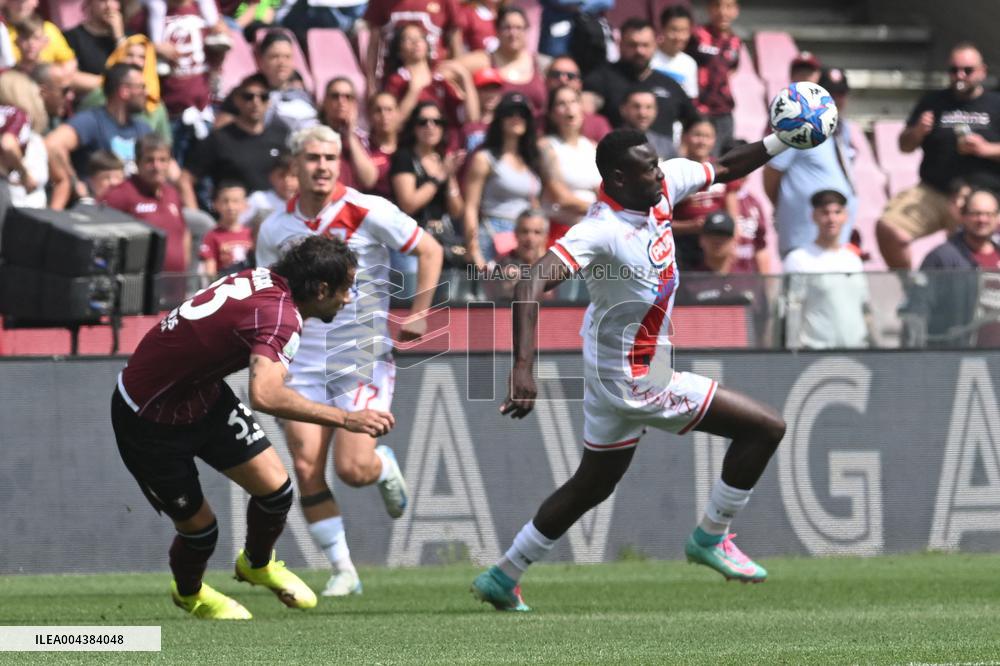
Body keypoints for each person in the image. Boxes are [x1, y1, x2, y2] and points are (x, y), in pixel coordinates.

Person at [471, 127, 795, 612]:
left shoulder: (661, 187)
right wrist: (522, 368)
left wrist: (783, 139)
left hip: (613, 365)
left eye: (658, 163)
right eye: (648, 168)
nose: (660, 172)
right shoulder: (600, 229)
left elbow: (727, 167)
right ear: (620, 178)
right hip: (637, 376)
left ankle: (505, 574)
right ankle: (711, 536)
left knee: (593, 483)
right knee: (766, 429)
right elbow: (531, 282)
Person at [112, 233, 395, 619]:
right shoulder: (282, 317)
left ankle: (257, 564)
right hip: (148, 418)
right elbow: (265, 395)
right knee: (201, 532)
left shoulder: (262, 276)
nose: (348, 299)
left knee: (276, 491)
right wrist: (347, 418)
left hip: (202, 396)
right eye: (345, 289)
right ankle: (189, 594)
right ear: (321, 288)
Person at [255, 125, 443, 598]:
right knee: (304, 466)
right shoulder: (276, 228)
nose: (322, 166)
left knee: (352, 470)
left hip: (360, 354)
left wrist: (419, 312)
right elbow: (267, 292)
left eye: (330, 157)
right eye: (313, 157)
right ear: (294, 166)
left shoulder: (367, 209)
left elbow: (429, 248)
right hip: (301, 360)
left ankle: (380, 467)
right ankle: (344, 569)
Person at [877, 42, 1000, 269]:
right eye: (954, 70)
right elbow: (904, 146)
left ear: (982, 71)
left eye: (967, 70)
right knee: (889, 230)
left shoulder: (996, 103)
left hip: (984, 197)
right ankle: (914, 289)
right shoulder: (933, 102)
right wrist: (917, 131)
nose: (960, 76)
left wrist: (987, 149)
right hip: (935, 190)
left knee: (969, 258)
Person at [763, 66, 856, 258]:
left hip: (835, 234)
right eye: (831, 94)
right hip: (803, 233)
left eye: (842, 94)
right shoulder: (800, 126)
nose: (837, 100)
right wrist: (785, 205)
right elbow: (772, 172)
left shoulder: (842, 129)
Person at [45, 63, 152, 210]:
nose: (147, 93)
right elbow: (52, 145)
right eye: (142, 87)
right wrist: (74, 183)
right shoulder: (91, 121)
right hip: (99, 210)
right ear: (124, 91)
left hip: (137, 208)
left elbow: (171, 170)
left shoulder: (143, 128)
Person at [390, 101, 465, 295]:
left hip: (443, 241)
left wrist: (449, 177)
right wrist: (439, 177)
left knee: (447, 305)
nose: (430, 126)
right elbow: (409, 203)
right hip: (412, 240)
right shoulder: (404, 157)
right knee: (411, 300)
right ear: (414, 127)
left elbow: (457, 210)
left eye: (436, 121)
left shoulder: (442, 160)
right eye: (423, 122)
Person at [910, 189, 1000, 347]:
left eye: (989, 214)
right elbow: (918, 308)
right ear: (963, 216)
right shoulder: (941, 258)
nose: (982, 219)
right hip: (957, 355)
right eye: (976, 213)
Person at [783, 189, 872, 350]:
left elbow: (864, 308)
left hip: (857, 350)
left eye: (837, 212)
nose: (831, 219)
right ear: (814, 216)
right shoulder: (799, 259)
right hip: (815, 353)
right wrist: (792, 352)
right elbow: (792, 311)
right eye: (825, 213)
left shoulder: (853, 260)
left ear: (846, 216)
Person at [184, 73, 290, 207]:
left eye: (263, 97)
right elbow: (186, 179)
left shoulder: (280, 135)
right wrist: (195, 217)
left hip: (274, 217)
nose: (255, 102)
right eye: (248, 97)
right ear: (237, 100)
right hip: (234, 220)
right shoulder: (219, 139)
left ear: (269, 102)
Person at [464, 92, 542, 266]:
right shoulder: (484, 158)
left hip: (526, 238)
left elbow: (535, 204)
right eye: (509, 113)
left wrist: (540, 244)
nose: (516, 118)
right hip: (494, 235)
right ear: (499, 119)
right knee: (491, 293)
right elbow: (470, 206)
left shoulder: (531, 161)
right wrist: (473, 249)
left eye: (522, 114)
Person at [584, 18, 697, 135]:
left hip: (662, 152)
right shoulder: (601, 78)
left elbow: (695, 123)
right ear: (620, 44)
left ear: (655, 46)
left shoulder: (669, 85)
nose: (639, 51)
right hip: (617, 151)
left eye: (645, 45)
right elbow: (585, 117)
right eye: (632, 45)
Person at [102, 134, 189, 275]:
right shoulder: (121, 194)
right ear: (137, 162)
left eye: (163, 160)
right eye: (150, 160)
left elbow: (184, 233)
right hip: (137, 288)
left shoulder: (172, 193)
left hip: (175, 285)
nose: (157, 166)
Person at [672, 118, 740, 270]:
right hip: (681, 247)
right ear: (684, 137)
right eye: (697, 135)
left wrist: (733, 244)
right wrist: (689, 226)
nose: (701, 141)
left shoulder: (723, 170)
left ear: (714, 140)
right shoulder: (674, 172)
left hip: (716, 243)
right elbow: (660, 221)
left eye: (707, 136)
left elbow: (733, 214)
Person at [217, 30, 318, 133]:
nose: (282, 63)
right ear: (261, 60)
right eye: (275, 57)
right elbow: (222, 128)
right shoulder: (245, 94)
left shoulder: (300, 94)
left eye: (287, 57)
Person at [382, 23, 479, 129]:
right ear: (399, 50)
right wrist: (413, 91)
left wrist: (465, 78)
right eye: (408, 39)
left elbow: (472, 119)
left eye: (420, 38)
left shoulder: (440, 80)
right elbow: (393, 126)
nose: (416, 42)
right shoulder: (396, 80)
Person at [77, 35, 172, 142]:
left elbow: (164, 147)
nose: (134, 61)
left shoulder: (156, 105)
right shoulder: (98, 95)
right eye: (129, 55)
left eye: (142, 57)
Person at [454, 7, 548, 115]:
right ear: (497, 31)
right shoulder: (484, 60)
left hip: (537, 130)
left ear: (526, 30)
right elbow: (445, 71)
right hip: (493, 129)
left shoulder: (541, 64)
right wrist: (466, 86)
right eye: (507, 28)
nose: (513, 33)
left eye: (519, 28)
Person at [539, 85, 601, 243]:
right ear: (552, 114)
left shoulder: (592, 147)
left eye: (573, 101)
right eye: (561, 103)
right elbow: (562, 198)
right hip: (561, 233)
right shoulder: (547, 147)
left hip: (592, 231)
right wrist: (604, 210)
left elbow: (602, 190)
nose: (569, 108)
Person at [365, 0, 462, 90]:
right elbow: (373, 46)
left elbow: (456, 45)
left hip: (436, 81)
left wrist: (454, 80)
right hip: (394, 83)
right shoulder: (380, 2)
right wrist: (371, 85)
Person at [687, 0, 741, 154]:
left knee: (725, 162)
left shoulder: (736, 41)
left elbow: (731, 70)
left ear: (736, 10)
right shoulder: (696, 36)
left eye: (728, 6)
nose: (722, 12)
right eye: (717, 5)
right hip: (700, 111)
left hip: (725, 111)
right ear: (709, 9)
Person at [319, 77, 379, 192]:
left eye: (348, 97)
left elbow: (369, 180)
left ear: (355, 104)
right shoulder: (313, 136)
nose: (341, 101)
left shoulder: (361, 138)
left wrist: (350, 135)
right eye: (335, 96)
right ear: (325, 101)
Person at [545, 55, 610, 143]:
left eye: (570, 76)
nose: (563, 80)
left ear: (580, 83)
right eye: (556, 74)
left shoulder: (598, 124)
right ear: (546, 79)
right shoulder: (535, 121)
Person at [200, 181, 254, 278]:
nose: (230, 206)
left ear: (245, 204)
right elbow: (209, 271)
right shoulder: (211, 236)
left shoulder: (252, 235)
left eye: (235, 201)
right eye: (225, 201)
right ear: (216, 204)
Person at [63, 0, 125, 77]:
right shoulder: (72, 37)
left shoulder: (129, 37)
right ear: (90, 3)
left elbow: (129, 71)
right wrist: (106, 83)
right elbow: (69, 75)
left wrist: (119, 38)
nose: (109, 5)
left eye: (114, 0)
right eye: (102, 1)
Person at [652, 5, 698, 100]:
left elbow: (690, 100)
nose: (679, 37)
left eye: (684, 31)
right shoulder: (647, 57)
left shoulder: (689, 64)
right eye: (674, 30)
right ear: (662, 29)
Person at [618, 87, 677, 159]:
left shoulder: (667, 146)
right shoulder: (610, 144)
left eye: (648, 107)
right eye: (636, 107)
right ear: (623, 110)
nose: (643, 114)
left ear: (656, 111)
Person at [364, 92, 402, 198]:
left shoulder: (410, 146)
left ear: (398, 113)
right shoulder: (363, 147)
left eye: (389, 110)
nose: (384, 115)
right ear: (369, 115)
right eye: (378, 110)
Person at [245, 152, 298, 226]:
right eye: (281, 175)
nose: (287, 181)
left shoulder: (308, 202)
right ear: (271, 177)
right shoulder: (258, 199)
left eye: (293, 175)